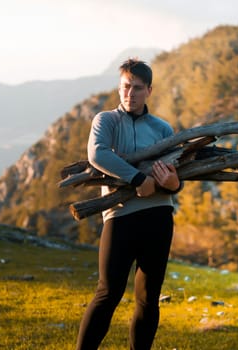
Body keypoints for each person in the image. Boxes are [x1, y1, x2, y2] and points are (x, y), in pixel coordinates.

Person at [76, 58, 182, 350]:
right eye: (125, 87)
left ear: (149, 90)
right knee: (108, 292)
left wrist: (175, 185)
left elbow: (176, 172)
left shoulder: (162, 128)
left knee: (148, 298)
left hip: (159, 216)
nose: (130, 94)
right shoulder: (106, 120)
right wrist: (138, 180)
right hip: (120, 217)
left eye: (137, 88)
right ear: (119, 87)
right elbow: (98, 154)